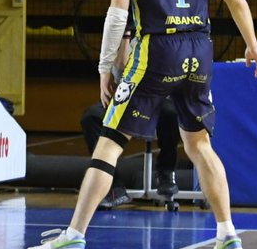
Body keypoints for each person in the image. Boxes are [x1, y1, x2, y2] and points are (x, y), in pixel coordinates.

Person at [26, 0, 257, 249]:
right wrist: (252, 46)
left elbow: (117, 13)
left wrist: (105, 65)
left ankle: (73, 236)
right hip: (199, 47)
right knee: (200, 144)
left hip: (159, 49)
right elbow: (237, 1)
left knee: (110, 141)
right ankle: (228, 237)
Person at [77, 21, 182, 209]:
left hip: (158, 102)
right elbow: (119, 76)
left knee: (171, 112)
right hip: (129, 101)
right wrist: (126, 36)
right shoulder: (134, 38)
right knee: (91, 117)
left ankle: (166, 172)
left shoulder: (170, 38)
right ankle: (114, 186)